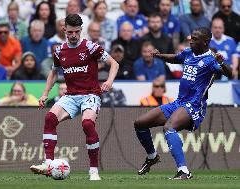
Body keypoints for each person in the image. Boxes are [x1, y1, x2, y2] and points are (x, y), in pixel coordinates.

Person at [133, 27, 232, 179]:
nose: (190, 41)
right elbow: (175, 58)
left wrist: (222, 62)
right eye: (191, 38)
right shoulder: (188, 52)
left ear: (205, 42)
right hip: (179, 103)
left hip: (194, 106)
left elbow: (228, 73)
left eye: (195, 39)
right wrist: (158, 56)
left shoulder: (211, 60)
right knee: (140, 123)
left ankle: (184, 171)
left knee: (169, 128)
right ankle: (152, 157)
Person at [30, 14, 119, 181]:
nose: (74, 36)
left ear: (81, 30)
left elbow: (114, 63)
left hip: (90, 95)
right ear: (64, 30)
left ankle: (93, 170)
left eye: (77, 32)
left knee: (87, 124)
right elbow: (54, 73)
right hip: (71, 95)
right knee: (49, 118)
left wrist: (109, 81)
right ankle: (48, 164)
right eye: (70, 32)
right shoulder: (59, 51)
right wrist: (45, 93)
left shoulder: (91, 47)